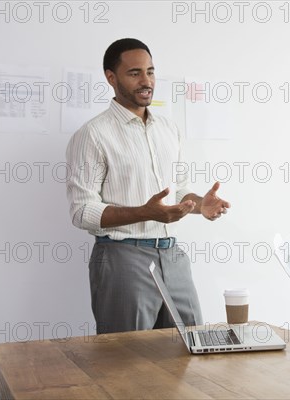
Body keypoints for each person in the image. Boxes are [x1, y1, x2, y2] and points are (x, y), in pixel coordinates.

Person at [66, 38, 230, 334]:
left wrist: (198, 203)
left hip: (173, 256)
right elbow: (81, 212)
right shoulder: (92, 135)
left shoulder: (169, 129)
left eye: (151, 71)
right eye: (135, 73)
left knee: (189, 350)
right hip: (121, 258)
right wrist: (145, 213)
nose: (146, 81)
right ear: (111, 77)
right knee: (126, 361)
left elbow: (178, 192)